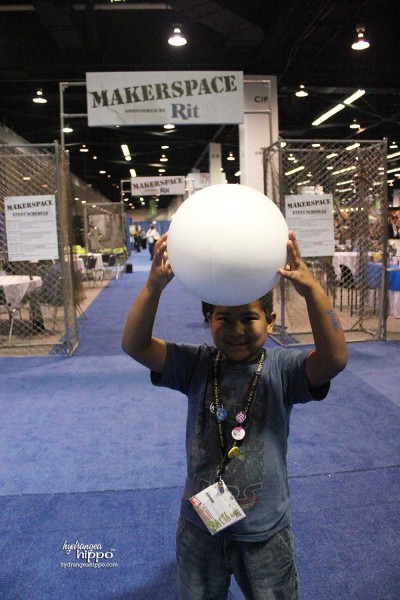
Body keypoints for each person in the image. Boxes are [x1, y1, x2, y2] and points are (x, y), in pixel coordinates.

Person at [122, 231, 348, 600]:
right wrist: (153, 288)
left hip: (264, 533)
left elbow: (334, 359)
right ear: (208, 319)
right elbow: (135, 345)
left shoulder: (282, 370)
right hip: (199, 525)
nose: (237, 330)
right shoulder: (196, 364)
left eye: (249, 318)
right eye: (224, 319)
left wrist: (312, 291)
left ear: (270, 320)